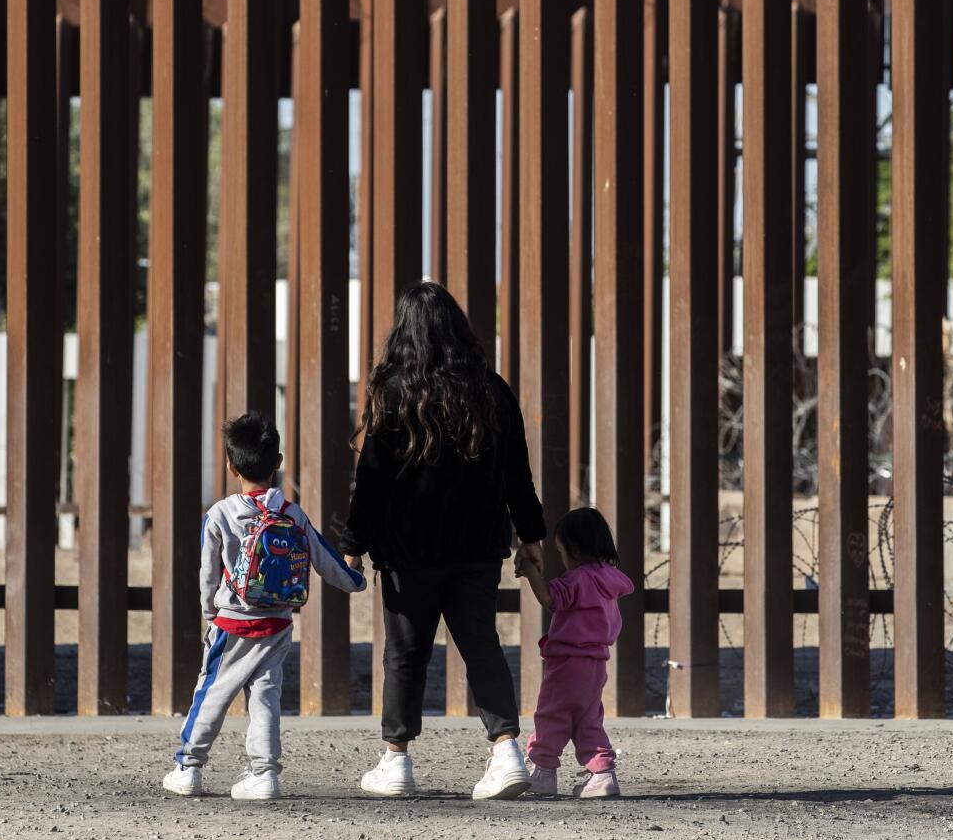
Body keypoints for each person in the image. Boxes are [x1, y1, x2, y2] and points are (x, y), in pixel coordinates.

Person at [340, 281, 547, 801]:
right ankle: (506, 751)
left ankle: (397, 761)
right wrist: (532, 536)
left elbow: (372, 480)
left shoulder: (393, 393)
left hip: (409, 551)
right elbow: (517, 474)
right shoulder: (491, 390)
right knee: (481, 643)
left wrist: (354, 542)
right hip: (478, 547)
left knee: (405, 655)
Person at [162, 411, 367, 800]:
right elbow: (325, 560)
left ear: (230, 464)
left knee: (212, 694)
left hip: (231, 625)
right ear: (278, 462)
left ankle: (189, 767)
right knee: (266, 698)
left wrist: (212, 612)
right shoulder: (291, 513)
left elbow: (208, 574)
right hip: (276, 624)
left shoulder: (220, 514)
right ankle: (265, 773)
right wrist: (356, 581)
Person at [514, 507, 634, 798]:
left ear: (575, 550)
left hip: (567, 662)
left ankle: (543, 771)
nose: (563, 558)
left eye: (561, 551)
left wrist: (530, 570)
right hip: (596, 664)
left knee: (552, 714)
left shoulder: (577, 579)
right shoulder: (610, 578)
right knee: (588, 718)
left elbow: (549, 599)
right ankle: (603, 773)